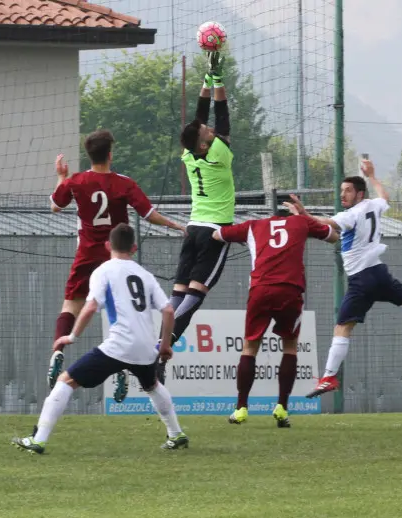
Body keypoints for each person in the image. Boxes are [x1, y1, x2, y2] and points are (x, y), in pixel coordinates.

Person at [287, 159, 402, 399]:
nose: (343, 194)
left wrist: (302, 213)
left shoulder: (352, 214)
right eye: (342, 190)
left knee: (343, 327)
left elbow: (325, 223)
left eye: (348, 191)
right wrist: (373, 175)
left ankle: (329, 377)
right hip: (378, 272)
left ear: (359, 193)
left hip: (361, 279)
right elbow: (385, 196)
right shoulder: (373, 205)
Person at [12, 223, 188, 454]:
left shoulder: (103, 270)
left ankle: (38, 440)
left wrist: (71, 336)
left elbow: (91, 305)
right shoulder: (145, 275)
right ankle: (176, 434)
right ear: (134, 248)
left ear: (107, 246)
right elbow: (168, 311)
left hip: (119, 344)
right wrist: (164, 345)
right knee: (152, 385)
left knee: (66, 381)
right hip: (145, 347)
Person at [48, 130, 184, 391]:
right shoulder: (124, 183)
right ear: (110, 155)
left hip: (86, 255)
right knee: (120, 312)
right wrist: (175, 225)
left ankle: (58, 350)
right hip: (116, 257)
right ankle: (121, 368)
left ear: (89, 155)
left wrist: (61, 178)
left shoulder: (76, 181)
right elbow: (148, 213)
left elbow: (55, 205)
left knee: (71, 305)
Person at [213, 208, 338, 426]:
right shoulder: (300, 223)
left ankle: (241, 408)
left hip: (260, 289)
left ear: (272, 217)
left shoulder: (253, 225)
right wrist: (306, 226)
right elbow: (333, 237)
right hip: (290, 290)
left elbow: (217, 235)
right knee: (289, 346)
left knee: (250, 347)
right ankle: (282, 408)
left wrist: (245, 240)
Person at [158, 51, 235, 383]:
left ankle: (163, 349)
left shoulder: (189, 155)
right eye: (207, 133)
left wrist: (207, 77)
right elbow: (223, 113)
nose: (210, 130)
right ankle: (159, 344)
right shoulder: (218, 154)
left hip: (193, 230)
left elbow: (200, 119)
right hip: (215, 232)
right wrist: (218, 80)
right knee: (195, 296)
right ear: (205, 144)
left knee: (179, 294)